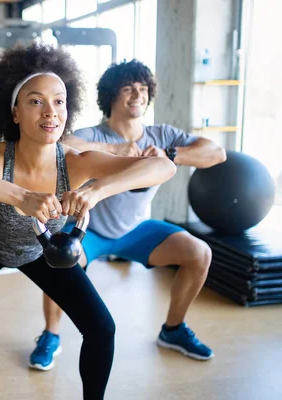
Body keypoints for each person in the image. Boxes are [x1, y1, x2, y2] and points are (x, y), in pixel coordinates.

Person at [0, 43, 177, 400]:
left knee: (102, 328)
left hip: (39, 251)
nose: (50, 112)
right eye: (35, 101)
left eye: (58, 101)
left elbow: (164, 167)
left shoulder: (76, 162)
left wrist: (97, 191)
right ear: (15, 112)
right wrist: (20, 196)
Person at [29, 59, 227, 371]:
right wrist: (118, 151)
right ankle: (50, 335)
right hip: (89, 230)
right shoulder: (96, 134)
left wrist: (171, 154)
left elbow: (216, 153)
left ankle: (173, 330)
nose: (138, 95)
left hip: (136, 230)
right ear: (111, 95)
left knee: (199, 253)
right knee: (58, 262)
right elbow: (61, 143)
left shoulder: (162, 136)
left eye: (143, 89)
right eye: (128, 89)